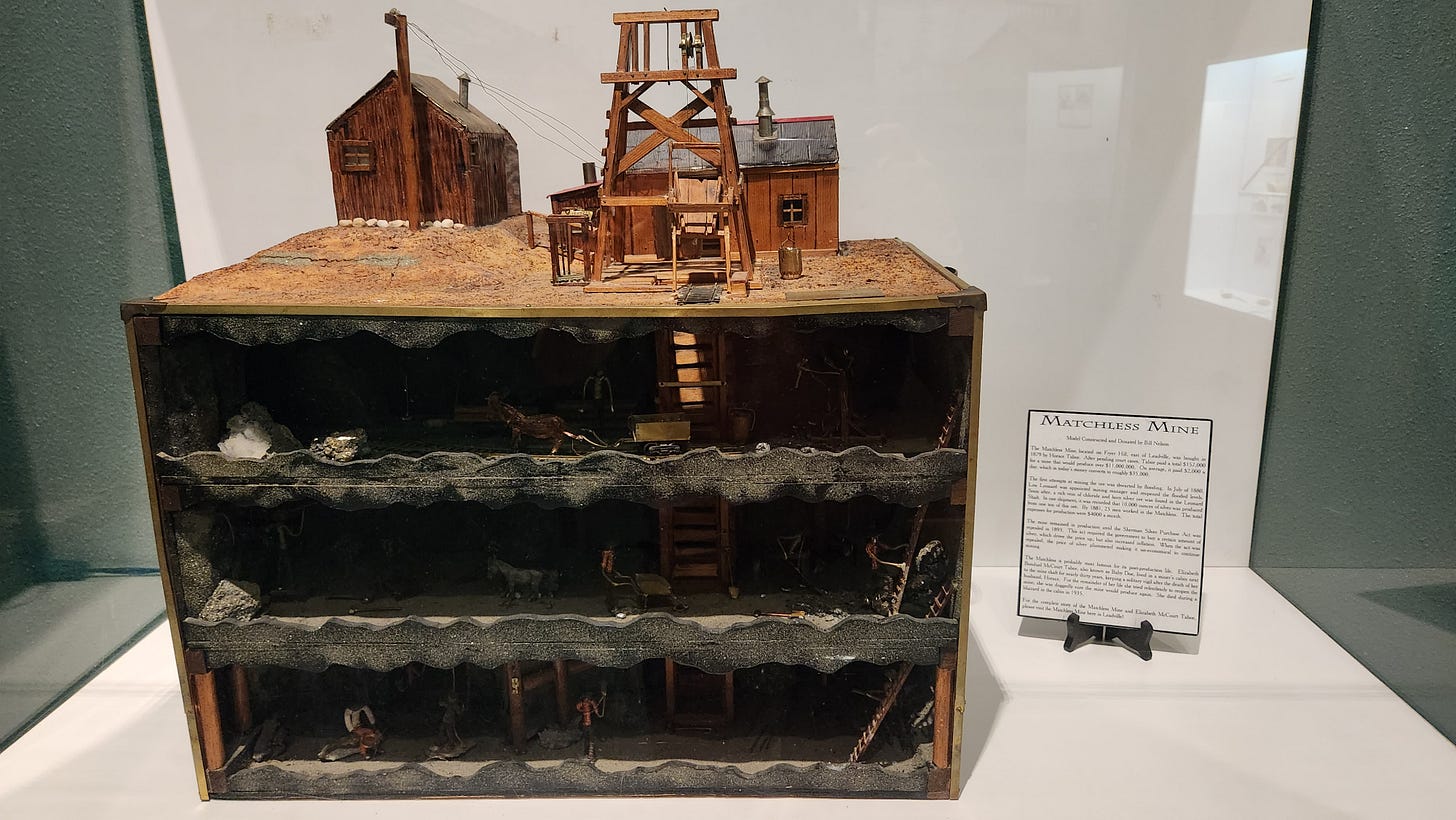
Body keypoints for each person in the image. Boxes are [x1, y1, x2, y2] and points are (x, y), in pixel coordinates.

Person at [575, 690, 606, 760]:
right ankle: (587, 753)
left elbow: (596, 710)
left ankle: (590, 754)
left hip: (590, 724)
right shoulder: (584, 704)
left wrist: (595, 710)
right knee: (587, 739)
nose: (586, 702)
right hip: (586, 724)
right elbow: (578, 707)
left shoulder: (591, 704)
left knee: (590, 739)